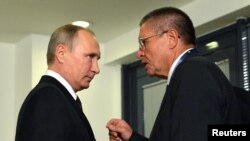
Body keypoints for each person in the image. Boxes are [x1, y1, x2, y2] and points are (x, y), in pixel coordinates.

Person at [106, 7, 242, 141]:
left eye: (144, 42)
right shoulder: (191, 72)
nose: (139, 53)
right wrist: (131, 138)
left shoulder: (192, 71)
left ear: (171, 38)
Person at [15, 24, 100, 141]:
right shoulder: (47, 98)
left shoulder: (58, 97)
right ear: (61, 53)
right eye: (90, 56)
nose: (96, 68)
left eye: (97, 59)